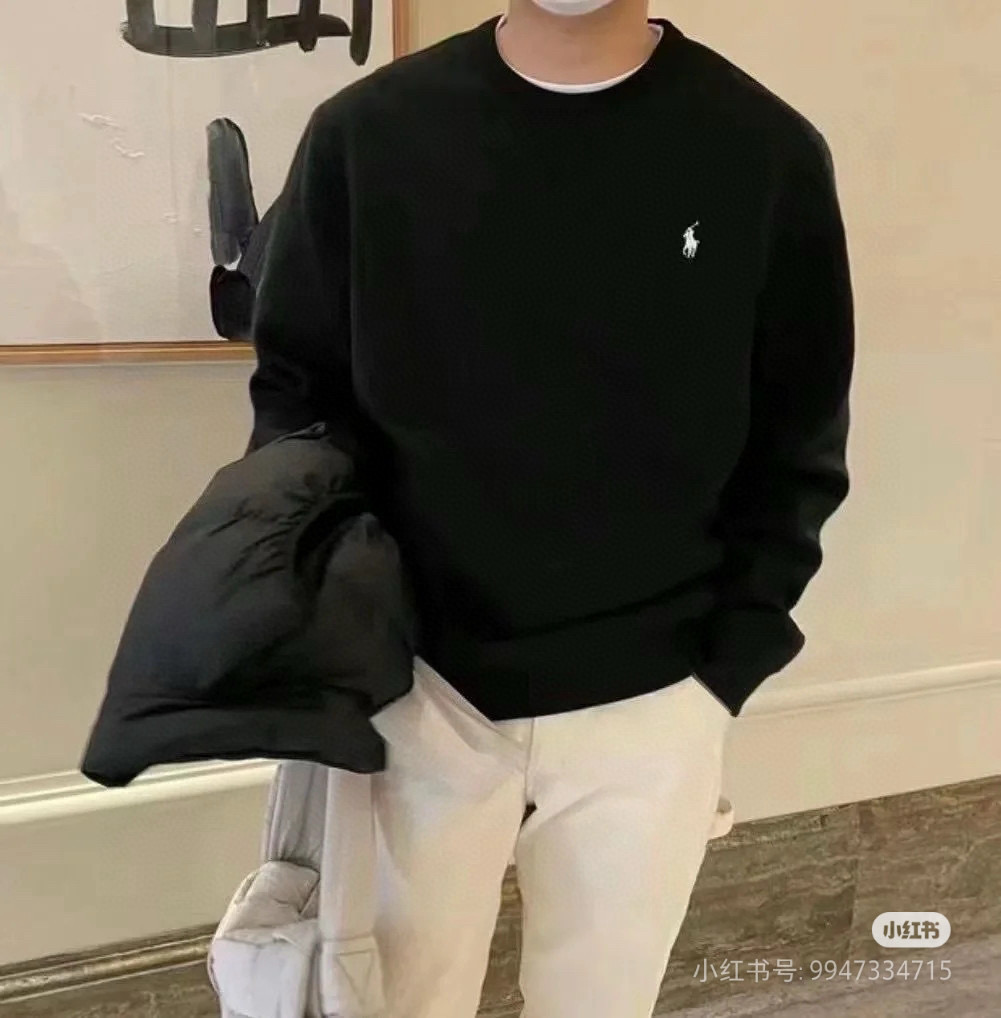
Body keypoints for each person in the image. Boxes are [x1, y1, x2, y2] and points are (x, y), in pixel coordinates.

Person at [246, 1, 855, 1015]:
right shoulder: (368, 135)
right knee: (389, 1000)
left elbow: (797, 432)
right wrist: (332, 623)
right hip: (413, 684)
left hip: (654, 690)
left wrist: (727, 662)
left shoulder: (760, 149)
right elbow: (298, 405)